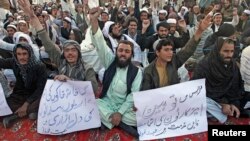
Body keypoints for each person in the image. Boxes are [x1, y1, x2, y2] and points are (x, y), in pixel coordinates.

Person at [17, 0, 98, 93]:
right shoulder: (61, 62)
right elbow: (46, 41)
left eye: (73, 50)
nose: (70, 53)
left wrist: (69, 80)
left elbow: (94, 89)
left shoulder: (87, 68)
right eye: (67, 50)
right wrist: (32, 16)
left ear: (79, 53)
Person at [89, 7, 143, 138]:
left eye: (127, 51)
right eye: (120, 51)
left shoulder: (136, 72)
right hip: (107, 103)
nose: (123, 54)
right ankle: (118, 122)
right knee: (93, 103)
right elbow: (100, 43)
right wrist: (94, 20)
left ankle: (111, 120)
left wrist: (120, 112)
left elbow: (132, 96)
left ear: (131, 54)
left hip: (125, 107)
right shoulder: (110, 61)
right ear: (116, 51)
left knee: (142, 117)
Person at [140, 12, 212, 90]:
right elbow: (146, 94)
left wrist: (200, 30)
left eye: (171, 49)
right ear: (157, 52)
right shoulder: (148, 71)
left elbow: (188, 50)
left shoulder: (174, 61)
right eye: (166, 50)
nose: (170, 52)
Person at [192, 37, 250, 123]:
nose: (229, 55)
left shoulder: (232, 66)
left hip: (226, 102)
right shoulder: (204, 65)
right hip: (210, 101)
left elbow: (236, 89)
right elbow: (197, 91)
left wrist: (233, 104)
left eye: (232, 51)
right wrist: (222, 104)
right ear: (217, 50)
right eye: (225, 51)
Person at [0, 43, 47, 128]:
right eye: (19, 54)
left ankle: (16, 116)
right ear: (15, 54)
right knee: (5, 104)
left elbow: (41, 88)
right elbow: (1, 62)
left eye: (24, 54)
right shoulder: (14, 62)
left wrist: (26, 105)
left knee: (41, 103)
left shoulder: (39, 66)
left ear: (30, 53)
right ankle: (28, 112)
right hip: (20, 94)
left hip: (35, 95)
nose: (22, 57)